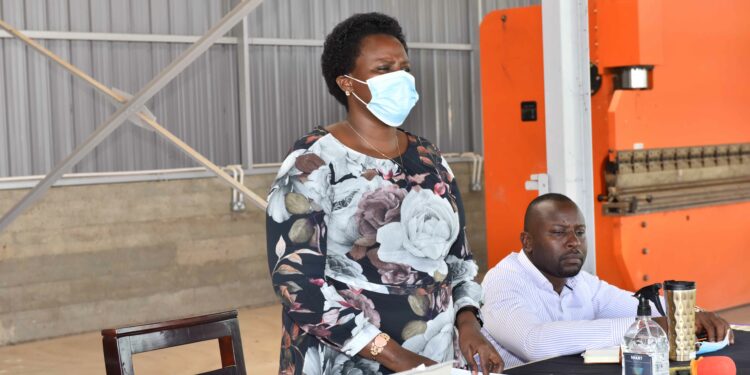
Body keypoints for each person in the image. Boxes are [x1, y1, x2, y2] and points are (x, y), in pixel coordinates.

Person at [265, 12, 503, 375]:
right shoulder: (312, 162)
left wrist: (468, 323)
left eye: (404, 67)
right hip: (348, 360)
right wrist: (400, 359)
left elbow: (459, 260)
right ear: (347, 82)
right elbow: (297, 285)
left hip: (436, 361)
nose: (401, 77)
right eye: (384, 68)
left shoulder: (429, 157)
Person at [480, 193, 734, 368]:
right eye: (558, 232)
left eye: (579, 232)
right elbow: (534, 342)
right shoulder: (503, 281)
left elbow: (637, 307)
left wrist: (694, 316)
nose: (573, 242)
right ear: (527, 241)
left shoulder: (581, 282)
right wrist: (653, 327)